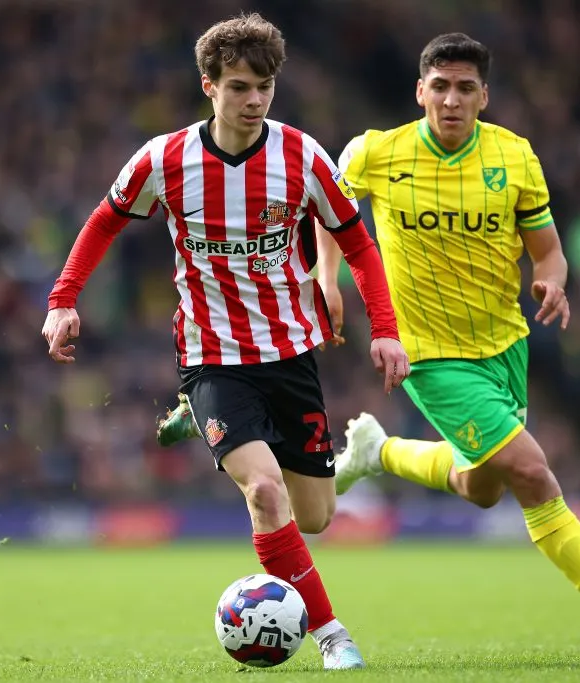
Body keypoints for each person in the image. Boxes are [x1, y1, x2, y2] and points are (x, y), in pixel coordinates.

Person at [159, 32, 580, 654]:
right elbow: (333, 215)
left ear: (484, 95)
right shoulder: (377, 153)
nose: (452, 100)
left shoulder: (516, 157)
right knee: (531, 471)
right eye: (440, 87)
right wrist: (325, 276)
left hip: (503, 347)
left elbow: (549, 252)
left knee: (482, 485)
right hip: (428, 353)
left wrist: (553, 281)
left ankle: (379, 453)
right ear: (420, 91)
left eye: (465, 88)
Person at [42, 13, 410, 670]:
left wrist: (384, 329)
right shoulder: (164, 159)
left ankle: (205, 425)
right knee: (264, 493)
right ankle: (331, 635)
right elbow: (104, 222)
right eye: (239, 86)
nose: (254, 100)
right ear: (208, 85)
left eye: (264, 86)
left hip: (290, 354)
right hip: (213, 358)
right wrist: (63, 300)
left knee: (316, 516)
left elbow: (357, 239)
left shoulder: (302, 157)